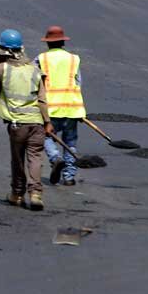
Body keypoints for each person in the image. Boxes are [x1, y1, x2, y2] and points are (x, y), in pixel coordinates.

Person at [0, 29, 52, 211]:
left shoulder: (2, 69)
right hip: (37, 124)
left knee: (17, 160)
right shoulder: (35, 70)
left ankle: (17, 194)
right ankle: (35, 194)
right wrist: (48, 122)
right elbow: (42, 99)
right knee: (35, 158)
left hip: (17, 125)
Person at [37, 25, 84, 186]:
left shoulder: (41, 59)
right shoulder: (74, 59)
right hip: (72, 107)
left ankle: (55, 158)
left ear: (48, 43)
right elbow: (78, 83)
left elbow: (34, 81)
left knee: (46, 136)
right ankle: (69, 176)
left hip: (50, 108)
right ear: (63, 42)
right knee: (70, 142)